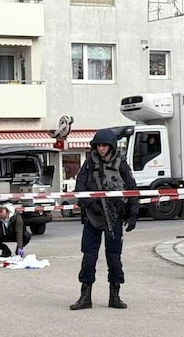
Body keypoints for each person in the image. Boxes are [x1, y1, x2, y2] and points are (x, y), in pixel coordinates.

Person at [69, 129, 139, 310]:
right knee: (89, 257)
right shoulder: (89, 164)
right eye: (98, 145)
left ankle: (114, 296)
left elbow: (132, 189)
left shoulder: (121, 164)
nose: (101, 149)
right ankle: (85, 296)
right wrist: (91, 205)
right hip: (93, 217)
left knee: (114, 258)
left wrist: (133, 214)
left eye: (104, 145)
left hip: (114, 218)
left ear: (111, 146)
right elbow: (80, 186)